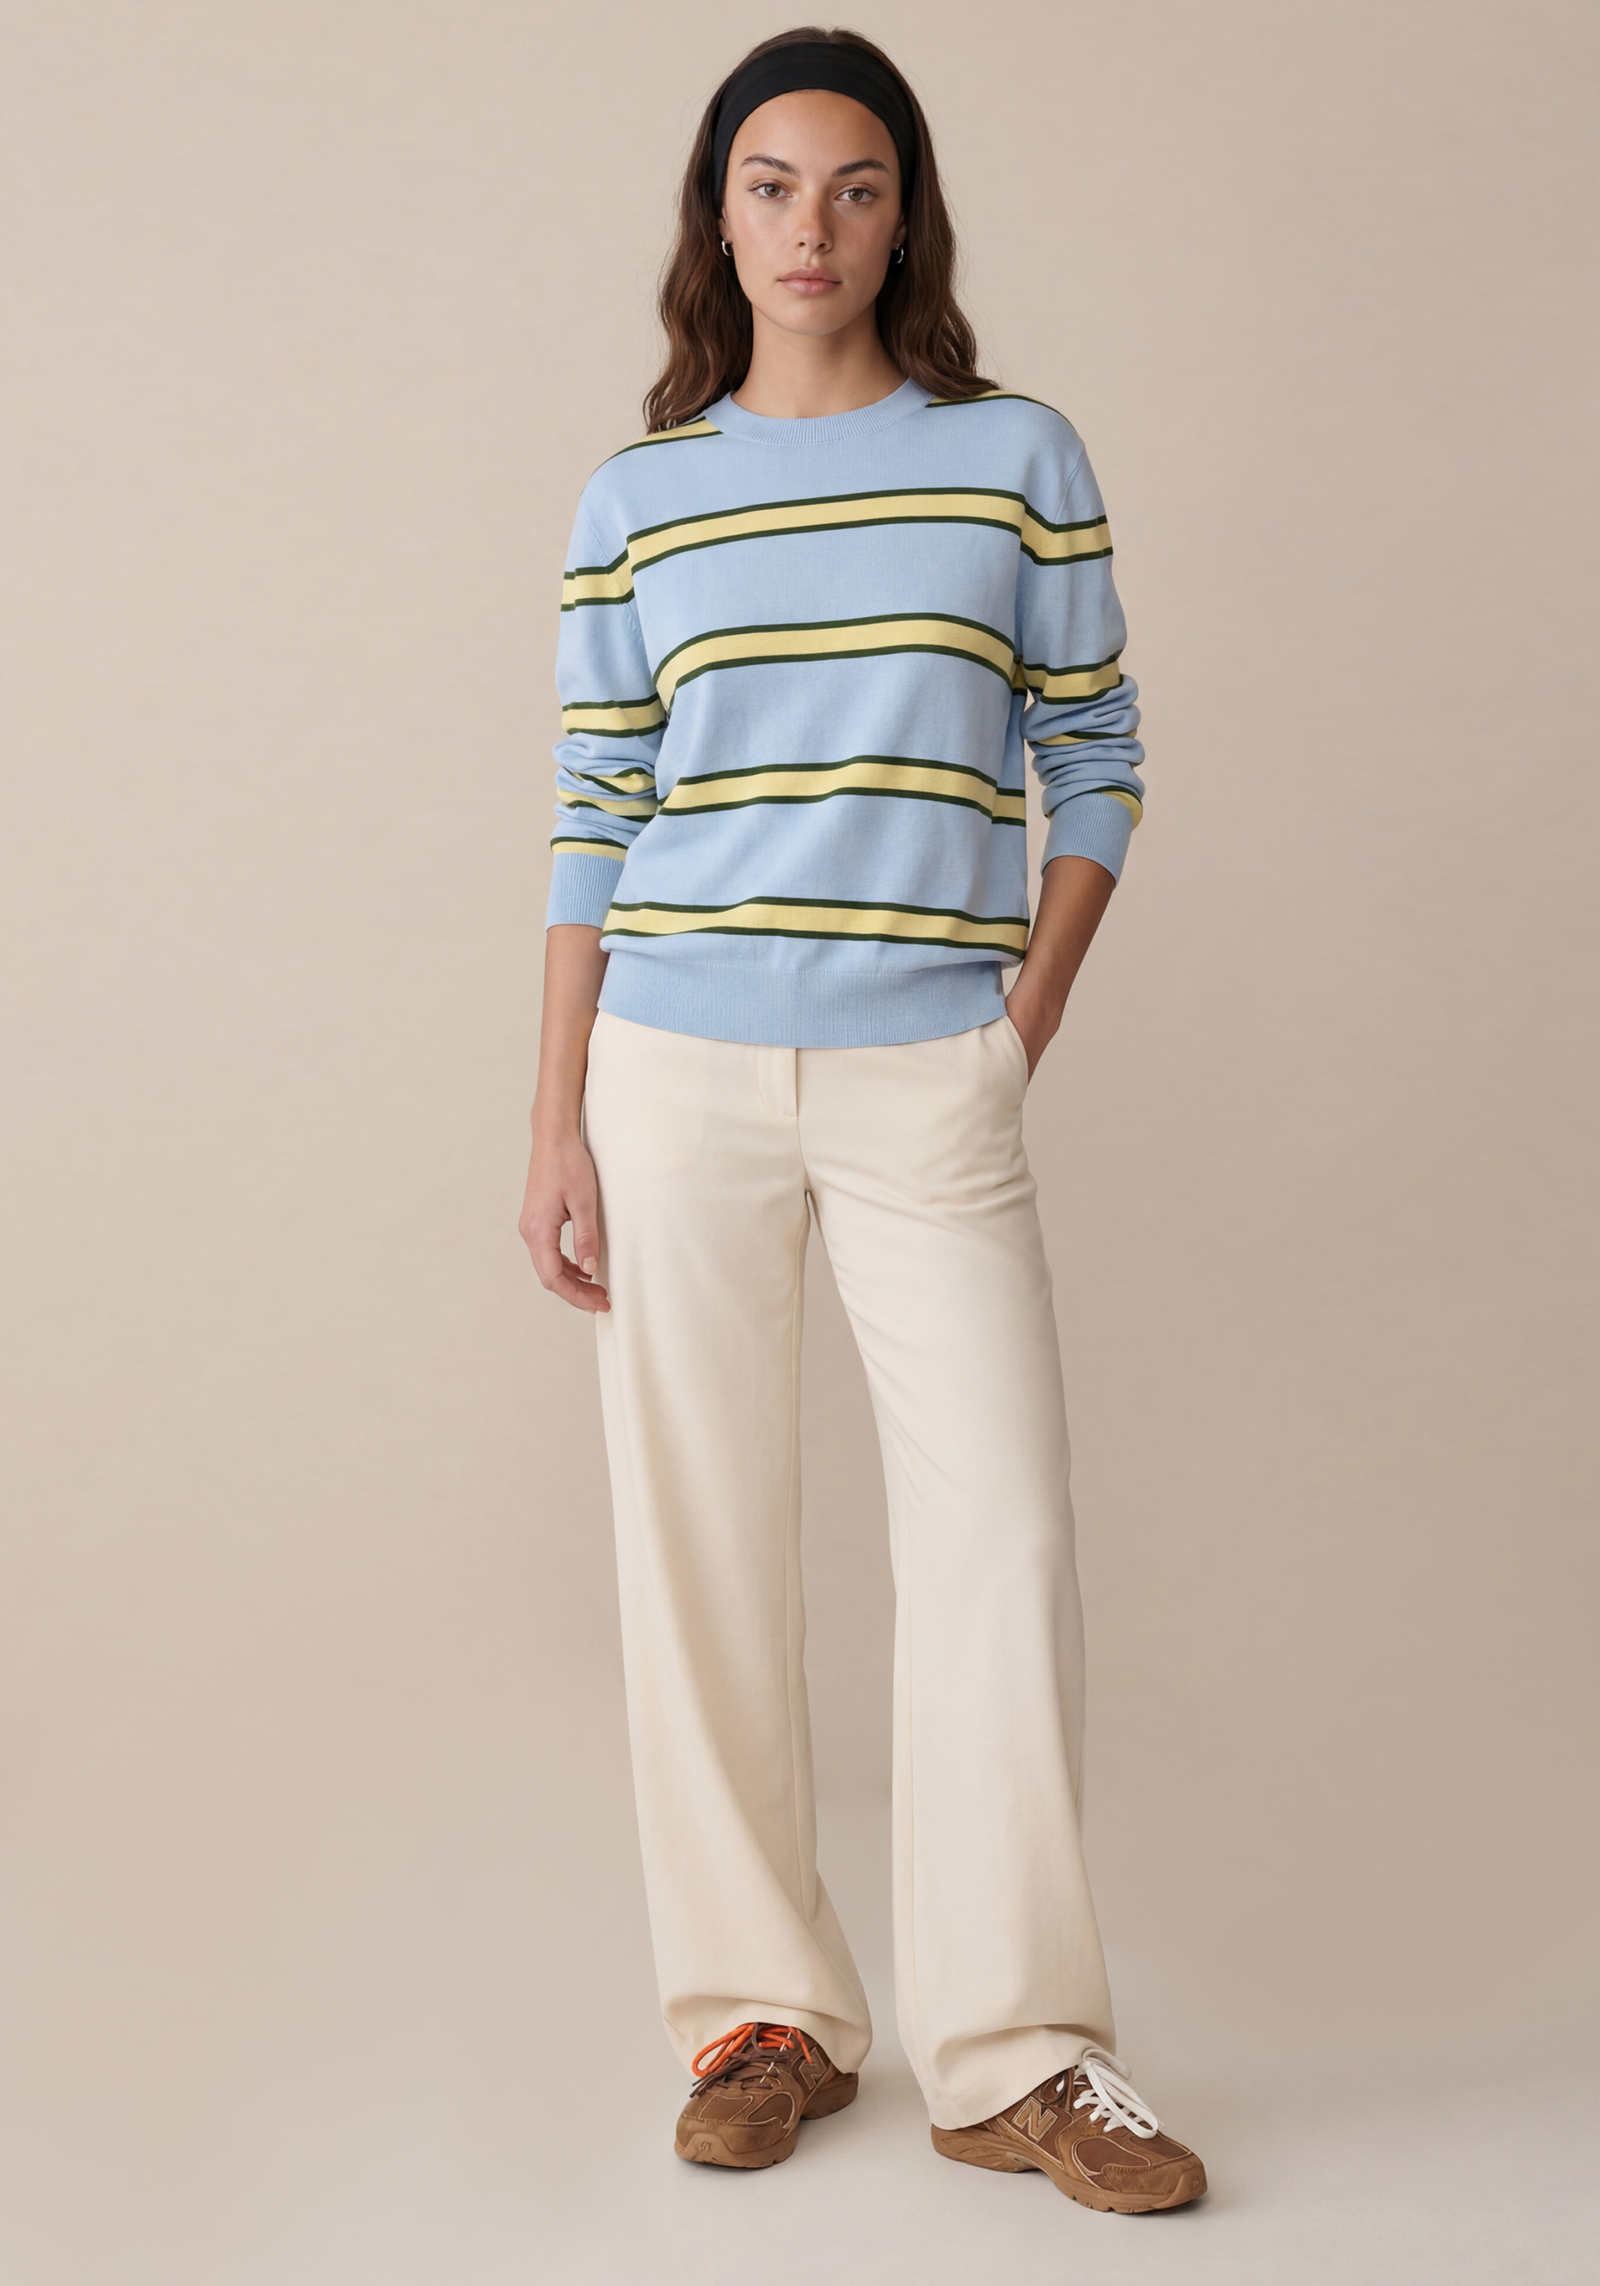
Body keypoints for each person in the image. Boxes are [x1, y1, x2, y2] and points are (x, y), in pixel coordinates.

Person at [519, 25, 1207, 2216]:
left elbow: (1093, 751)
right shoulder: (637, 499)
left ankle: (1020, 2051)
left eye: (853, 186)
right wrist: (554, 1118)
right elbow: (594, 811)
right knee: (700, 1545)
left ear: (904, 219)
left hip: (929, 1068)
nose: (807, 227)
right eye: (768, 185)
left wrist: (1021, 1015)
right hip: (673, 1067)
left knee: (999, 1539)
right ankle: (758, 2015)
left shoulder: (1012, 458)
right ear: (715, 220)